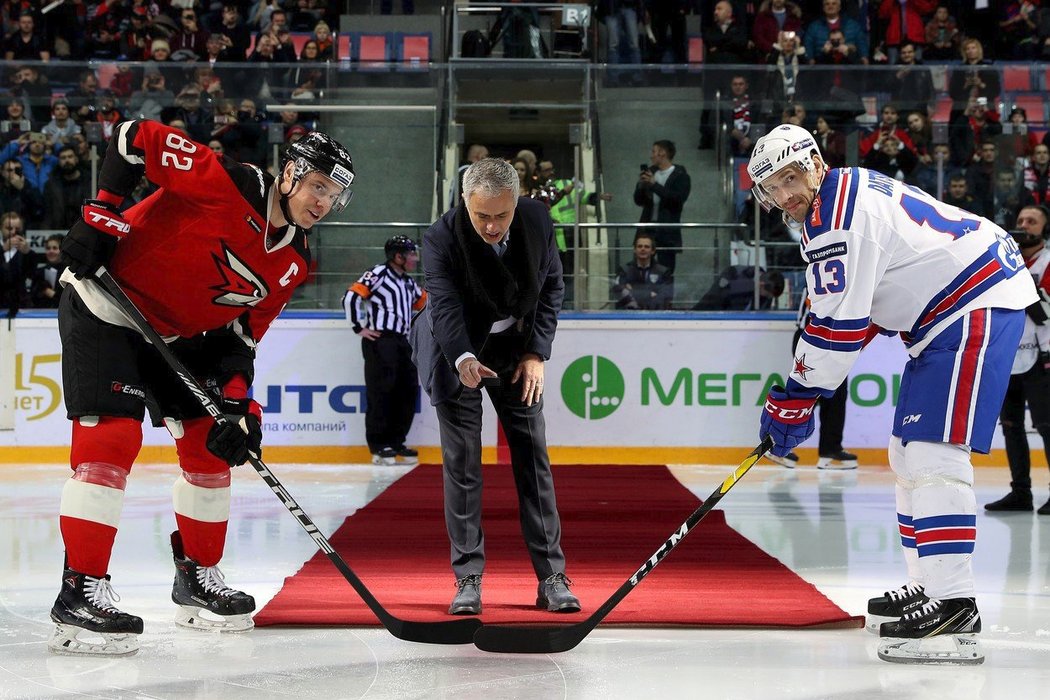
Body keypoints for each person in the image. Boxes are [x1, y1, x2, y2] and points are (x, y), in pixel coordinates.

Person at [49, 121, 355, 656]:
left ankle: (197, 579)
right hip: (106, 301)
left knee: (211, 447)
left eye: (335, 196)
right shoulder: (231, 183)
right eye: (320, 187)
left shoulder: (294, 261)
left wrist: (239, 407)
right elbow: (132, 137)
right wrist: (102, 213)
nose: (325, 202)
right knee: (111, 443)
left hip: (178, 332)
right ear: (292, 174)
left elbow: (242, 336)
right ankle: (78, 591)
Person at [747, 123, 1036, 664]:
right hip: (955, 307)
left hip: (974, 302)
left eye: (791, 177)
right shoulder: (837, 197)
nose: (786, 193)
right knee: (906, 453)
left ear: (814, 162)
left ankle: (955, 611)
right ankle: (932, 587)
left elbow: (836, 327)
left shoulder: (834, 217)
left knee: (932, 452)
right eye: (772, 187)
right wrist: (806, 387)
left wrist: (795, 396)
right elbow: (865, 300)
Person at [409, 157, 580, 617]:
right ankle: (467, 577)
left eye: (500, 215)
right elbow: (442, 306)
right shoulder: (441, 236)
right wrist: (463, 357)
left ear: (517, 201)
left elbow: (552, 288)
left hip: (514, 348)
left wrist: (535, 354)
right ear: (464, 201)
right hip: (455, 347)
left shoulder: (538, 220)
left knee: (533, 458)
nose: (490, 226)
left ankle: (551, 578)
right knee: (463, 466)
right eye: (480, 215)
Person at [984, 205, 1050, 514]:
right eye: (1020, 220)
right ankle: (1020, 491)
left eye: (1031, 222)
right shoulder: (1003, 264)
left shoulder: (1046, 263)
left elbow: (1043, 313)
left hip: (1043, 356)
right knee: (1010, 426)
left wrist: (1018, 275)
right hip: (1007, 355)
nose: (1023, 226)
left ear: (1044, 230)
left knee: (1047, 426)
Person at [343, 235, 427, 466]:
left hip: (403, 341)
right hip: (381, 341)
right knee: (382, 392)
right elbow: (351, 297)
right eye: (410, 254)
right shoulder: (378, 274)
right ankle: (379, 447)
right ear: (397, 256)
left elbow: (425, 304)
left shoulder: (408, 282)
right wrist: (359, 327)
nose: (414, 258)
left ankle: (397, 441)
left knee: (407, 391)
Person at [767, 294, 858, 470]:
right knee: (810, 393)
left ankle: (828, 449)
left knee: (832, 395)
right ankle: (778, 443)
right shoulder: (832, 271)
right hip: (817, 338)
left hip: (822, 337)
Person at [634, 140, 690, 274]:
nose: (651, 156)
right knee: (641, 269)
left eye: (654, 151)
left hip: (667, 230)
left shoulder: (681, 176)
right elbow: (638, 201)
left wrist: (654, 185)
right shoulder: (651, 172)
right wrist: (641, 186)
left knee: (666, 272)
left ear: (662, 153)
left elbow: (677, 199)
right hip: (647, 229)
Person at [611, 233, 673, 309]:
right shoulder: (624, 270)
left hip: (654, 315)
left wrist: (632, 291)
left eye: (646, 247)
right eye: (639, 246)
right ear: (635, 250)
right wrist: (648, 294)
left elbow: (665, 296)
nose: (643, 249)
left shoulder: (663, 271)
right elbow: (618, 292)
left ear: (653, 251)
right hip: (629, 315)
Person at [31, 232, 65, 308]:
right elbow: (32, 298)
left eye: (55, 248)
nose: (51, 251)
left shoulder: (68, 272)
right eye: (48, 248)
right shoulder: (39, 272)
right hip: (41, 313)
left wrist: (51, 293)